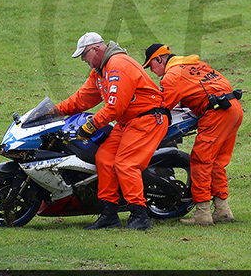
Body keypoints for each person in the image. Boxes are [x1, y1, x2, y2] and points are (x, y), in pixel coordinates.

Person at [55, 32, 170, 231]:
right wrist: (53, 112)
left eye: (84, 54)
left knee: (125, 164)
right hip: (128, 122)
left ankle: (140, 215)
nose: (83, 59)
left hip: (148, 119)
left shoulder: (118, 64)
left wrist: (90, 126)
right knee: (104, 158)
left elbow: (114, 108)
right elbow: (82, 99)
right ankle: (109, 214)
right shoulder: (100, 71)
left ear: (97, 49)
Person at [142, 44, 243, 225]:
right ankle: (222, 210)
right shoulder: (197, 65)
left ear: (159, 59)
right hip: (233, 108)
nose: (152, 71)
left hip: (216, 113)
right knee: (217, 163)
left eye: (151, 66)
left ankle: (203, 213)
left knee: (200, 161)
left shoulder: (171, 75)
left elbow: (163, 106)